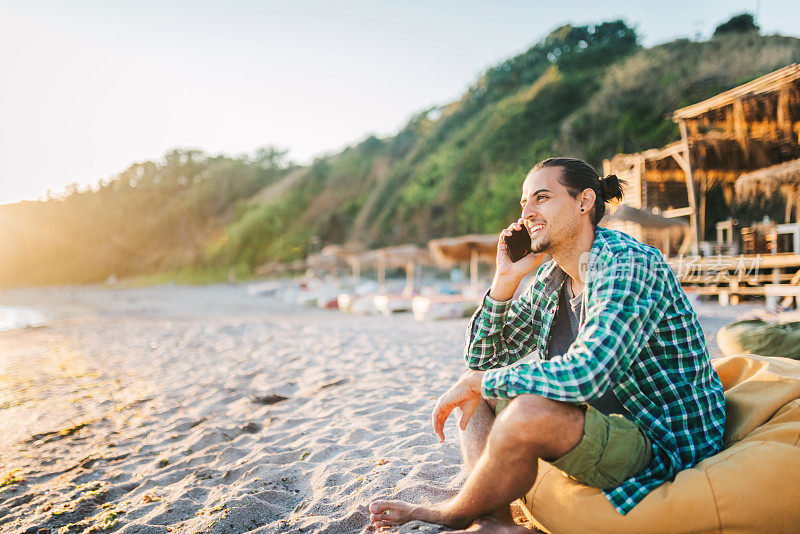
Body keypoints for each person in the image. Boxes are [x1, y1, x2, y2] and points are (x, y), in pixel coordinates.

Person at [369, 157, 726, 533]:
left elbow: (587, 373)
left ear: (584, 202)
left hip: (660, 437)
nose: (526, 213)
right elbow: (480, 359)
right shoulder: (553, 276)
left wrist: (484, 381)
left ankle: (455, 513)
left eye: (541, 198)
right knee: (476, 394)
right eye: (524, 203)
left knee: (519, 408)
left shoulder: (627, 266)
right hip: (596, 418)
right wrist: (504, 281)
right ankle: (496, 521)